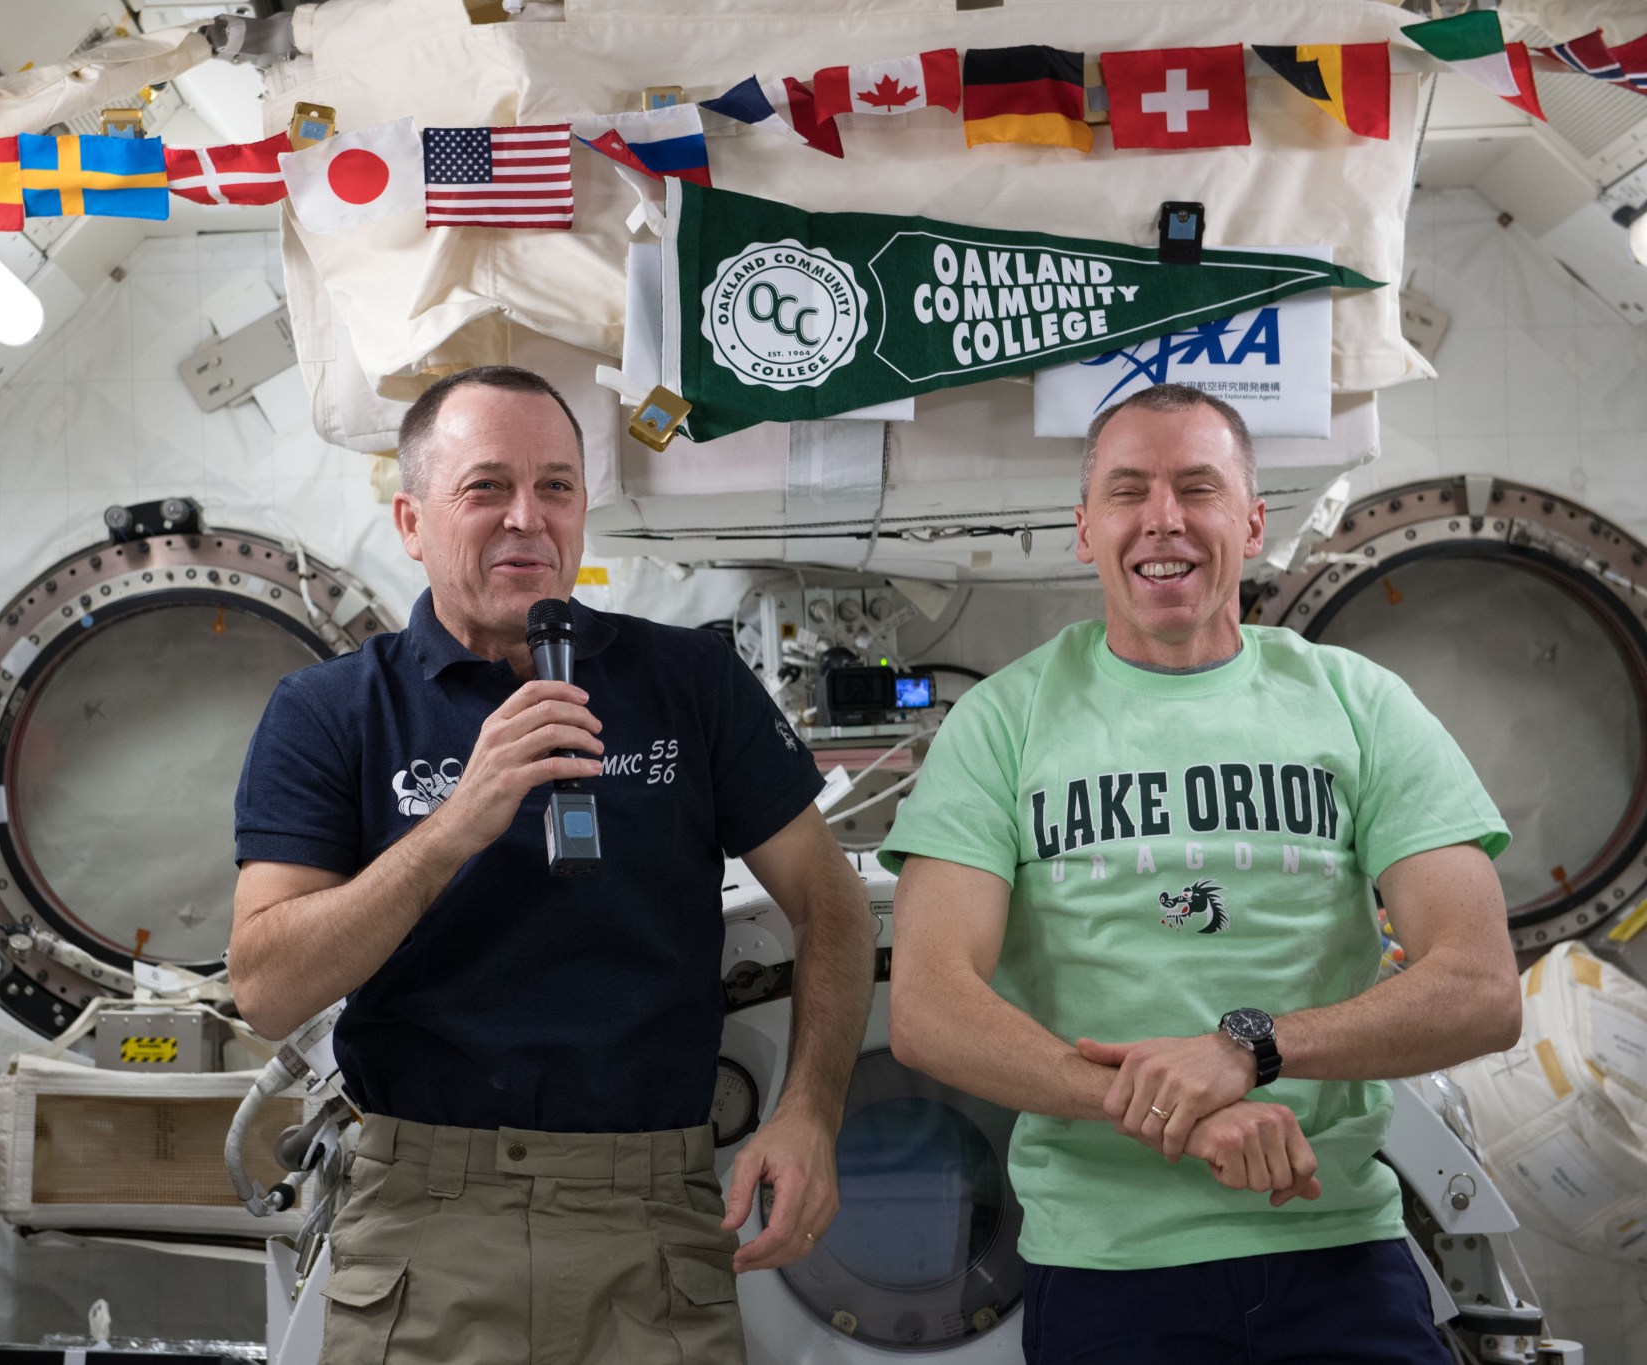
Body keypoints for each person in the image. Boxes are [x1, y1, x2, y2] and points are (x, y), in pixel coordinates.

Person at [231, 365, 875, 1365]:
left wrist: (809, 1112)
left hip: (655, 1213)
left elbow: (832, 906)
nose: (526, 519)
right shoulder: (330, 713)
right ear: (411, 519)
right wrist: (459, 819)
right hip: (425, 1214)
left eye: (557, 487)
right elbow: (267, 986)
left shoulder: (689, 684)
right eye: (485, 486)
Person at [880, 384, 1521, 1364]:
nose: (1162, 519)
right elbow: (928, 1007)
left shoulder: (1357, 705)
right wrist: (1167, 1103)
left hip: (1334, 1246)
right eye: (1128, 491)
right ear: (1084, 526)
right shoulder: (1000, 725)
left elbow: (1478, 988)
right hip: (1104, 1270)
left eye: (1197, 487)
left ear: (1251, 520)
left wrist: (1244, 1049)